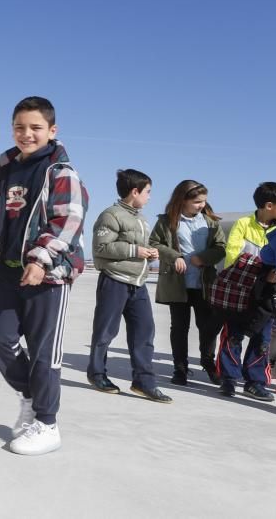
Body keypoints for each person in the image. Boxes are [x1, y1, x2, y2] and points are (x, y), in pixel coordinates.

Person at [0, 96, 88, 456]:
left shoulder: (61, 172)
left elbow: (68, 221)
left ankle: (47, 424)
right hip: (7, 273)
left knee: (44, 353)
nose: (27, 134)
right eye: (20, 127)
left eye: (35, 127)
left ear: (52, 130)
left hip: (48, 276)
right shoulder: (2, 170)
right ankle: (31, 397)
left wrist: (41, 260)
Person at [87, 169, 171, 403]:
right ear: (135, 191)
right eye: (148, 192)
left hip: (138, 283)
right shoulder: (110, 215)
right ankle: (96, 373)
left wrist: (150, 254)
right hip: (114, 281)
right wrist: (135, 250)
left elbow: (140, 248)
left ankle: (144, 382)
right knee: (105, 332)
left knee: (144, 332)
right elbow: (101, 249)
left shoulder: (141, 218)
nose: (150, 196)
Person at [150, 180, 226, 386]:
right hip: (178, 284)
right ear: (182, 200)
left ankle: (208, 363)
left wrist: (204, 258)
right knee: (179, 328)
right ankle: (180, 368)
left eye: (204, 201)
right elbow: (155, 243)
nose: (202, 205)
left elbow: (221, 247)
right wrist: (174, 256)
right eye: (197, 201)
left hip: (204, 285)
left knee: (208, 328)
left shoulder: (210, 222)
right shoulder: (167, 221)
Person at [216, 182, 276, 400]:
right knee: (233, 335)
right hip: (241, 289)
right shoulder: (243, 224)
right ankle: (228, 379)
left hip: (267, 292)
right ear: (269, 205)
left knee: (262, 338)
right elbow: (233, 254)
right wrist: (262, 272)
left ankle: (255, 381)